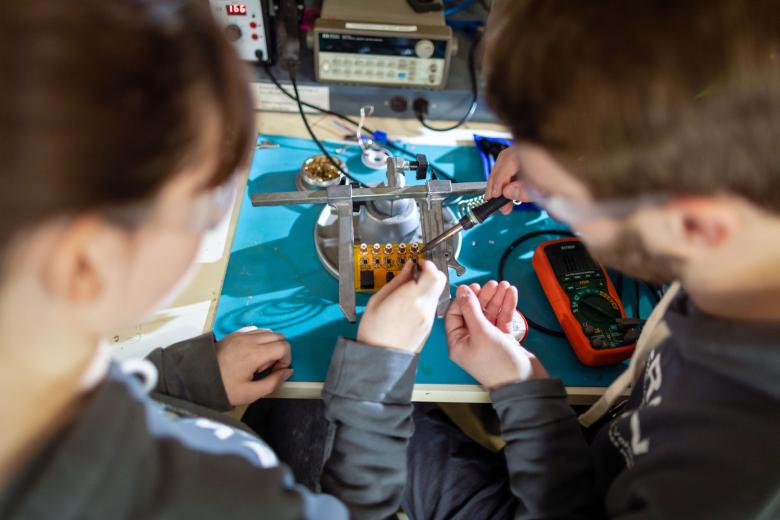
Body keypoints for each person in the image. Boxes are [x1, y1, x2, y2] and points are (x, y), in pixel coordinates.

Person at [0, 1, 446, 518]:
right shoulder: (220, 495)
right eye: (206, 198)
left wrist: (186, 384)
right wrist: (378, 377)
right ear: (87, 262)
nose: (217, 216)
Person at [402, 1, 780, 518]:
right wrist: (523, 385)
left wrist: (523, 394)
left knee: (321, 430)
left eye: (564, 199)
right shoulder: (746, 239)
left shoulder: (729, 484)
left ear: (693, 219)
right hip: (579, 454)